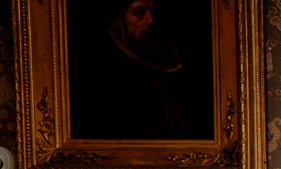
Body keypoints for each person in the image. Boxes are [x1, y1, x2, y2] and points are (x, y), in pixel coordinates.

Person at [68, 0, 210, 140]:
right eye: (138, 13)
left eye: (154, 12)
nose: (151, 20)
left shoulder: (180, 69)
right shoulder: (104, 75)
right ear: (120, 21)